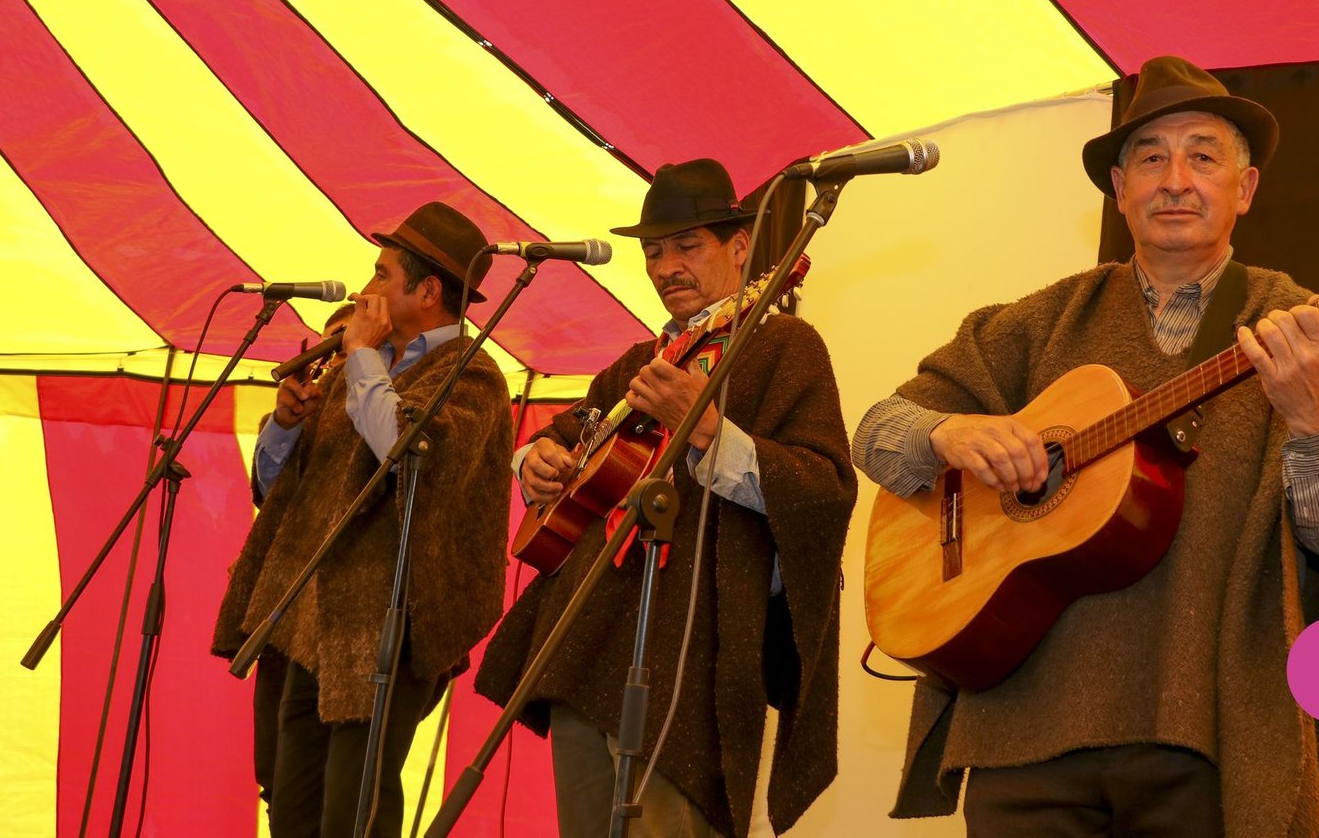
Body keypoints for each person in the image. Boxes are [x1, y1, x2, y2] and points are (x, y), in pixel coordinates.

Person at [852, 56, 1319, 836]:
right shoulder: (1038, 322)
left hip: (1207, 732)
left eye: (1203, 157)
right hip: (1019, 736)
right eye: (1150, 159)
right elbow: (877, 433)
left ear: (1244, 189)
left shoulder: (1300, 328)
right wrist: (950, 432)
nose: (1175, 180)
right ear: (1118, 188)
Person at [475, 159, 857, 838]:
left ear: (740, 248)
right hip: (587, 647)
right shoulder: (638, 362)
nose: (666, 266)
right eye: (654, 252)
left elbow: (825, 489)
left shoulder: (785, 348)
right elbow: (563, 436)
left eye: (687, 246)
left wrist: (708, 431)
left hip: (693, 652)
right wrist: (533, 462)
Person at [214, 202, 515, 838]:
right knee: (290, 806)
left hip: (390, 628)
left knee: (355, 811)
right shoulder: (362, 363)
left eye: (382, 274)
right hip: (311, 620)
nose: (365, 288)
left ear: (428, 292)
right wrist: (285, 428)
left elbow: (408, 452)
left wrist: (360, 357)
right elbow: (280, 493)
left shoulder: (472, 376)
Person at [249, 301, 354, 808]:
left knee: (343, 785)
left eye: (345, 345)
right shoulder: (299, 416)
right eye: (326, 348)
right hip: (288, 613)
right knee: (278, 778)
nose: (332, 360)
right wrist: (286, 424)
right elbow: (270, 497)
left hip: (351, 622)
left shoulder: (390, 408)